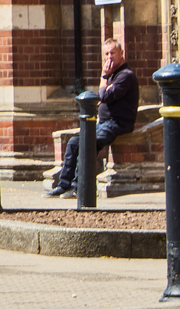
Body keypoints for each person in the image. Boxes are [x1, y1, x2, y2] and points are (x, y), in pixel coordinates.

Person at [46, 37, 139, 197]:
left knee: (88, 143)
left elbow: (104, 95)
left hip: (117, 124)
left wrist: (103, 77)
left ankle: (78, 187)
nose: (109, 57)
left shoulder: (125, 75)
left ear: (122, 53)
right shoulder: (113, 74)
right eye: (107, 54)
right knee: (74, 142)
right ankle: (64, 185)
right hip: (104, 123)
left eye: (113, 53)